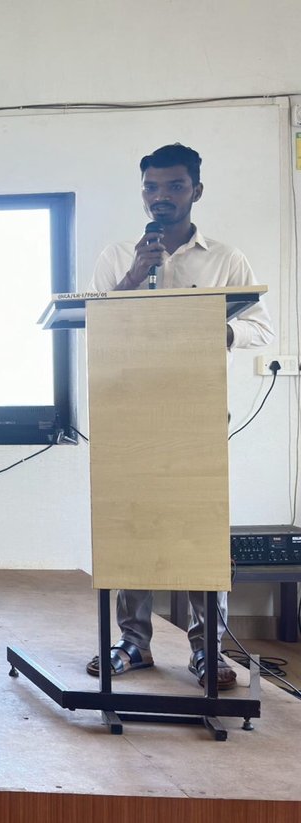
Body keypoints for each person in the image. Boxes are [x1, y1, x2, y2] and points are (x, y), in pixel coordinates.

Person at [87, 143, 276, 692]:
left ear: (196, 190)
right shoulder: (119, 255)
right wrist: (133, 276)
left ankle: (205, 647)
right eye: (151, 187)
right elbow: (97, 321)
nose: (161, 197)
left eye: (174, 186)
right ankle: (133, 642)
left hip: (197, 410)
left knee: (198, 528)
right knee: (132, 523)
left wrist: (214, 327)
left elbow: (261, 328)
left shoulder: (225, 259)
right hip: (129, 409)